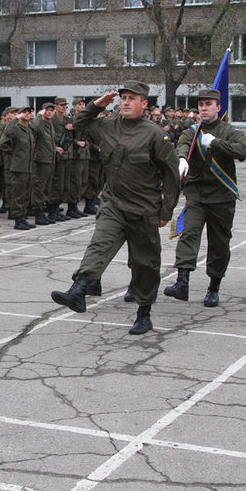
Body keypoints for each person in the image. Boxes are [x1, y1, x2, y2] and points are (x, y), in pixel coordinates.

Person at [50, 82, 179, 335]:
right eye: (124, 98)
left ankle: (144, 313)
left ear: (145, 104)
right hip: (113, 203)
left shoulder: (155, 134)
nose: (127, 102)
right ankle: (79, 290)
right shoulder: (107, 126)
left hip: (144, 208)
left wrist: (166, 211)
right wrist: (96, 105)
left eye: (133, 98)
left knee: (145, 264)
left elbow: (172, 175)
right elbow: (77, 125)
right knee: (100, 244)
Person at [163, 89, 246, 307]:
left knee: (219, 243)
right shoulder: (192, 131)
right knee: (188, 234)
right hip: (197, 196)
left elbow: (242, 151)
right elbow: (182, 144)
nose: (204, 108)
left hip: (222, 197)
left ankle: (214, 287)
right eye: (201, 104)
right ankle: (182, 282)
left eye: (208, 104)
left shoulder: (230, 131)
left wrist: (216, 143)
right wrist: (182, 158)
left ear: (218, 107)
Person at [0, 106, 36, 230]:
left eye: (29, 112)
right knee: (18, 195)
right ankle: (18, 220)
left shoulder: (28, 129)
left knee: (26, 194)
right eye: (24, 112)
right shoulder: (15, 128)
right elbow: (3, 143)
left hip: (28, 166)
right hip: (18, 167)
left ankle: (23, 217)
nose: (27, 114)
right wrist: (15, 154)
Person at [30, 103, 59, 225]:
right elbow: (33, 127)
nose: (50, 112)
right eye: (47, 110)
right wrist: (38, 116)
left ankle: (42, 211)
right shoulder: (40, 123)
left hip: (50, 160)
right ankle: (38, 213)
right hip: (41, 161)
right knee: (39, 188)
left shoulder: (50, 125)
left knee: (47, 188)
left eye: (52, 110)